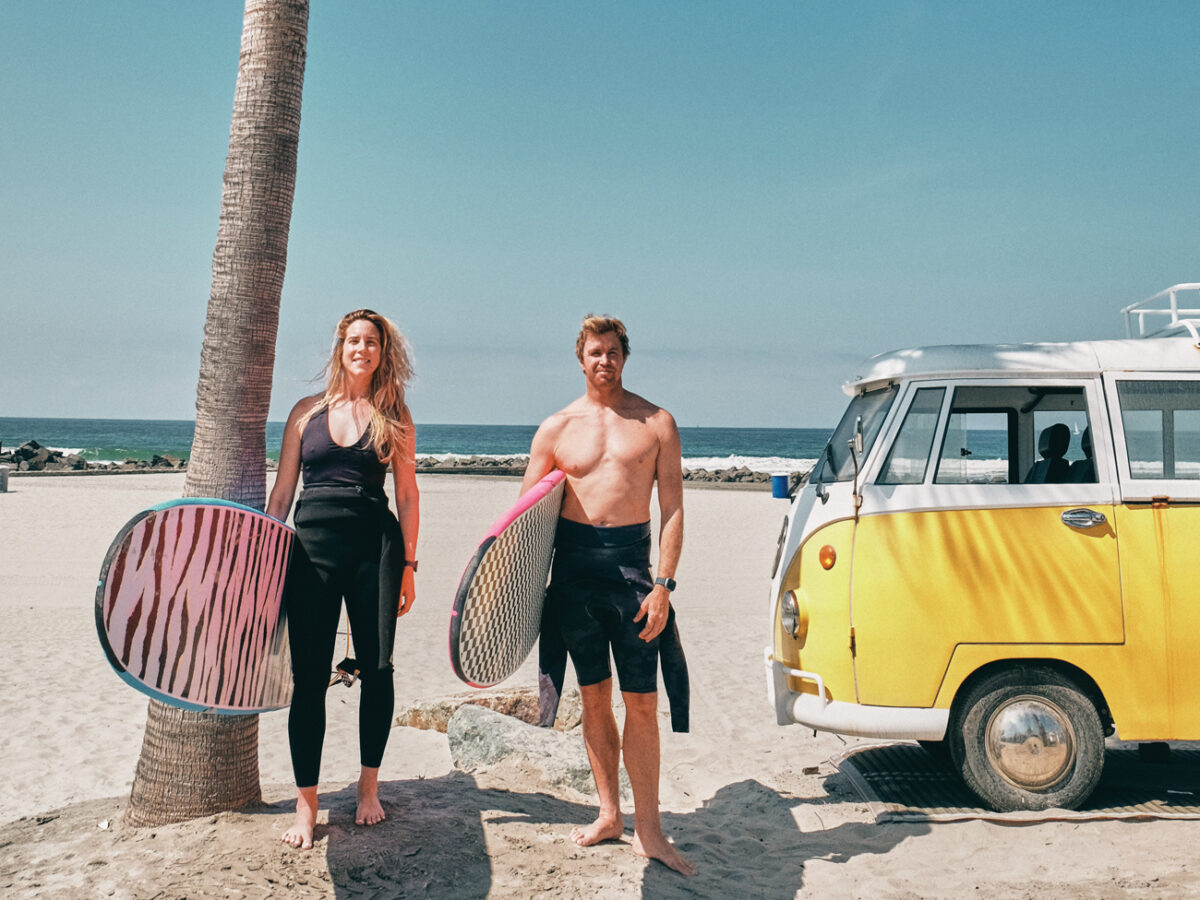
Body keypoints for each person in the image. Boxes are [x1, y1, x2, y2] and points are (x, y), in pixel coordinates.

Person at [523, 314, 695, 876]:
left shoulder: (656, 423)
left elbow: (672, 511)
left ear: (625, 355)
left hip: (633, 581)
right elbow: (522, 523)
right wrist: (519, 597)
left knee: (642, 702)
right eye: (595, 352)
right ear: (581, 358)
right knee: (594, 699)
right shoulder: (555, 428)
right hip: (572, 582)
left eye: (614, 351)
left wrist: (664, 585)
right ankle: (608, 814)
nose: (605, 361)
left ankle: (650, 829)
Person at [267, 309, 419, 851]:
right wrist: (265, 558)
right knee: (309, 678)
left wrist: (409, 564)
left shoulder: (393, 413)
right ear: (341, 346)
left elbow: (405, 494)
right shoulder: (305, 413)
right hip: (310, 547)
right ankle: (307, 807)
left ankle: (368, 786)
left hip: (374, 547)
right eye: (354, 340)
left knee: (377, 667)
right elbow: (283, 494)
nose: (363, 349)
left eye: (372, 342)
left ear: (382, 352)